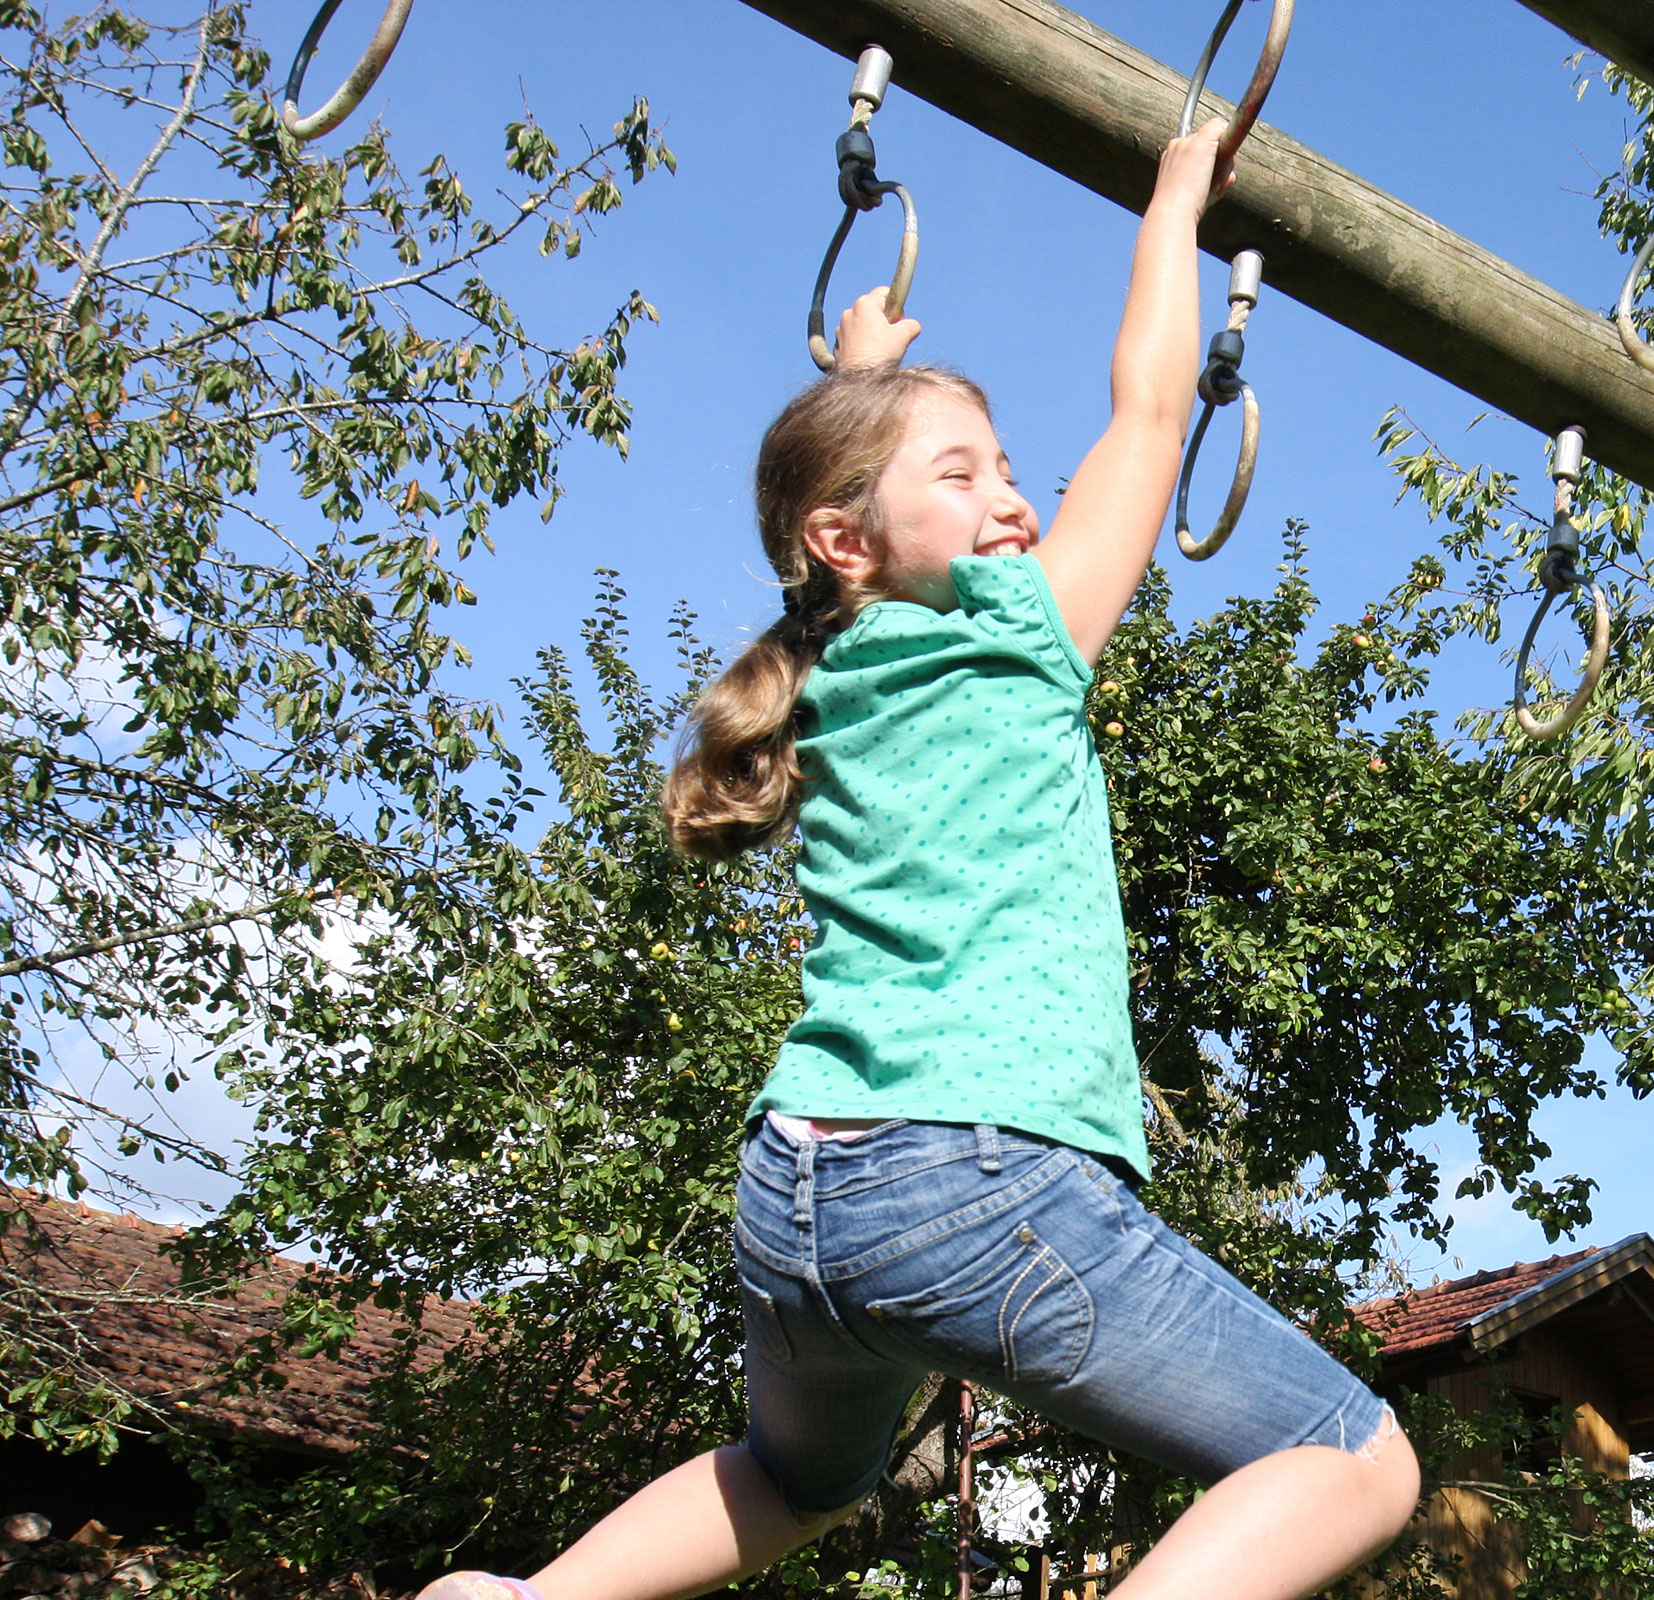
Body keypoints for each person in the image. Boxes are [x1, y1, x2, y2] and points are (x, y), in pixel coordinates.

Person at [415, 118, 1419, 1600]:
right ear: (850, 538)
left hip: (799, 1196)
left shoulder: (821, 665)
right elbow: (1149, 418)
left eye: (1008, 467)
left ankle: (528, 1599)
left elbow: (859, 502)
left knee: (797, 1481)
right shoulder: (1014, 643)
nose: (1017, 497)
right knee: (1353, 1457)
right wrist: (1172, 204)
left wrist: (861, 383)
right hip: (972, 1178)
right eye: (972, 473)